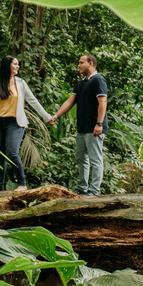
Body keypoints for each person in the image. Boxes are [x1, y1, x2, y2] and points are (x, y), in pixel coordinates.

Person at [0, 55, 51, 191]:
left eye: (18, 64)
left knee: (12, 152)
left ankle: (22, 184)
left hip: (15, 122)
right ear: (8, 65)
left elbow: (33, 101)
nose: (18, 67)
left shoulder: (20, 83)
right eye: (15, 64)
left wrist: (47, 117)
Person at [49, 53, 108, 197]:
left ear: (91, 63)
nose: (79, 65)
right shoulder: (81, 82)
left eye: (81, 62)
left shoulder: (98, 80)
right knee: (81, 157)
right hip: (82, 127)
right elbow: (70, 101)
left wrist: (99, 123)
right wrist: (56, 116)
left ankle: (94, 190)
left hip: (94, 127)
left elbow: (103, 102)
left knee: (95, 158)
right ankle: (82, 187)